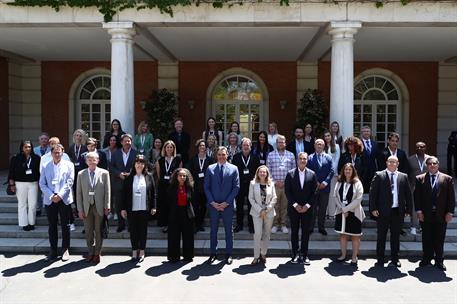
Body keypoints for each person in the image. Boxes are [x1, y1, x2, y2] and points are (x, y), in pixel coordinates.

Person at [369, 155, 412, 267]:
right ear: (386, 163)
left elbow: (408, 194)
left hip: (397, 211)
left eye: (394, 162)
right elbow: (373, 194)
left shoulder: (403, 176)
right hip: (382, 212)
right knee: (381, 237)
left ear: (398, 164)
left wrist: (409, 209)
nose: (392, 163)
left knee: (395, 237)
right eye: (390, 161)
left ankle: (395, 259)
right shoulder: (379, 175)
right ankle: (380, 259)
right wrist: (373, 208)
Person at [414, 156, 455, 271]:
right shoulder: (420, 178)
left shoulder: (447, 178)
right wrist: (419, 211)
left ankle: (439, 261)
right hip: (425, 214)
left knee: (439, 238)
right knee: (426, 237)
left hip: (441, 214)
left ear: (438, 164)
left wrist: (450, 212)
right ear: (427, 165)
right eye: (430, 164)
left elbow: (451, 198)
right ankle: (426, 259)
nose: (432, 165)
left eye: (434, 163)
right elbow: (417, 197)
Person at [204, 146, 240, 265]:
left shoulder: (234, 168)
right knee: (213, 230)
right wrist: (213, 202)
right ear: (216, 155)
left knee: (228, 231)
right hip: (213, 206)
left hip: (227, 206)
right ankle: (213, 253)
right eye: (219, 154)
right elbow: (206, 187)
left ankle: (229, 254)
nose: (221, 156)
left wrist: (226, 202)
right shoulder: (210, 168)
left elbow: (236, 188)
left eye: (223, 154)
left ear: (227, 155)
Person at [39, 144, 75, 262]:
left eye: (59, 152)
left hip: (63, 199)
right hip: (50, 200)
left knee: (66, 225)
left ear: (63, 153)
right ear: (51, 153)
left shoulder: (69, 165)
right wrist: (51, 195)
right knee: (52, 226)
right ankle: (53, 250)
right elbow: (42, 183)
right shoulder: (45, 166)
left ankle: (65, 249)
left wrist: (59, 195)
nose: (57, 154)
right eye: (55, 152)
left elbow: (70, 182)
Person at [76, 151, 110, 264]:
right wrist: (79, 209)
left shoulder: (104, 173)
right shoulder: (81, 174)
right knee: (89, 231)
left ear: (98, 160)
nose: (91, 161)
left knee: (99, 231)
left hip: (99, 206)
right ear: (86, 161)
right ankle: (90, 252)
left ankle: (97, 253)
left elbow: (107, 191)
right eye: (89, 159)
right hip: (86, 207)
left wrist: (107, 206)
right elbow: (78, 193)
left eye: (94, 159)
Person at [121, 155, 156, 263]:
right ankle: (134, 251)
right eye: (137, 162)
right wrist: (123, 209)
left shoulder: (149, 176)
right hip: (132, 209)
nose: (139, 165)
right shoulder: (128, 177)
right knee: (133, 231)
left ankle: (142, 251)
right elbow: (124, 195)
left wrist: (154, 206)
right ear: (134, 164)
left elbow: (154, 193)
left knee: (143, 231)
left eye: (142, 163)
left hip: (144, 209)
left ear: (144, 165)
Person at [284, 152, 317, 265]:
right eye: (300, 159)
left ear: (307, 160)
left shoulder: (312, 174)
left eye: (304, 159)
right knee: (294, 232)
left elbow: (314, 192)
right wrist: (295, 205)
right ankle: (294, 254)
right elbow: (287, 191)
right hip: (294, 209)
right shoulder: (290, 174)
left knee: (305, 232)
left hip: (307, 209)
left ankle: (304, 254)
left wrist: (307, 206)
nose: (302, 161)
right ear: (297, 160)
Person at [333, 163, 365, 265]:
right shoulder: (339, 182)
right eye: (346, 169)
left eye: (349, 170)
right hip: (341, 212)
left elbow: (358, 199)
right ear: (343, 171)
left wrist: (346, 209)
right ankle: (343, 255)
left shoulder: (357, 183)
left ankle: (354, 258)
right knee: (343, 235)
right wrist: (342, 209)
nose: (347, 171)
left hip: (354, 213)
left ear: (353, 171)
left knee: (355, 236)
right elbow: (335, 196)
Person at [8, 140, 41, 231]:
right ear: (22, 148)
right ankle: (24, 223)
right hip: (20, 183)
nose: (27, 148)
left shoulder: (36, 158)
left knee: (33, 204)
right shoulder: (16, 158)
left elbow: (39, 172)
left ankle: (31, 223)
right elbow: (11, 172)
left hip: (33, 183)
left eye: (29, 147)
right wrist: (12, 184)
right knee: (22, 204)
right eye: (25, 147)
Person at [248, 165, 277, 265]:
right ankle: (256, 256)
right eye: (261, 172)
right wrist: (260, 210)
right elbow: (250, 198)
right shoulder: (253, 183)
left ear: (267, 173)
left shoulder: (271, 184)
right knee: (258, 234)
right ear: (257, 173)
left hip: (269, 213)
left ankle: (263, 253)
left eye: (264, 172)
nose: (262, 173)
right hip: (257, 212)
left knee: (266, 234)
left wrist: (267, 209)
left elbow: (274, 198)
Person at [267, 135, 296, 234]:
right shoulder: (271, 155)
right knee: (275, 206)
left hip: (286, 185)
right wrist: (275, 182)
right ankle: (275, 225)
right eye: (279, 142)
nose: (281, 144)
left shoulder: (291, 155)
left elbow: (293, 171)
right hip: (274, 185)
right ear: (276, 143)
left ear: (285, 143)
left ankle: (283, 224)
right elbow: (268, 170)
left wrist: (285, 183)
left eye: (283, 142)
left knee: (284, 206)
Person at [232, 138, 260, 233]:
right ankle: (239, 225)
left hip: (251, 185)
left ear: (250, 146)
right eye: (244, 145)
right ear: (241, 146)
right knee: (239, 206)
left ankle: (251, 226)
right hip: (239, 185)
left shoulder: (255, 157)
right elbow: (233, 172)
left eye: (248, 145)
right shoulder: (236, 157)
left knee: (251, 206)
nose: (246, 147)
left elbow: (258, 172)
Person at [110, 133, 137, 232]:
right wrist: (119, 174)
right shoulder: (115, 153)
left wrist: (131, 173)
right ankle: (121, 224)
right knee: (119, 204)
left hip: (131, 182)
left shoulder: (135, 153)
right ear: (121, 142)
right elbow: (111, 167)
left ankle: (130, 225)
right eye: (125, 141)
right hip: (119, 182)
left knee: (130, 203)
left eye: (129, 141)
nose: (127, 143)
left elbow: (139, 166)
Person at [307, 139, 334, 235]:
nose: (319, 146)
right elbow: (308, 171)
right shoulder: (309, 158)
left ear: (324, 146)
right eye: (318, 144)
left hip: (325, 188)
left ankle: (321, 227)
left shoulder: (329, 158)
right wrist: (316, 182)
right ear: (314, 146)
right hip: (313, 188)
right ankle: (310, 227)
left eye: (321, 144)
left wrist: (325, 182)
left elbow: (331, 171)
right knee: (312, 208)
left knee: (323, 208)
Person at [167, 168, 195, 262]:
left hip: (187, 214)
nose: (182, 177)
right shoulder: (171, 187)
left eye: (184, 176)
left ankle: (188, 256)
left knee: (188, 236)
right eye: (180, 175)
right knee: (174, 236)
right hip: (175, 213)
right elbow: (168, 202)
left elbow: (194, 201)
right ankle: (174, 256)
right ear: (176, 176)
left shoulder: (190, 187)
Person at [187, 139, 215, 233]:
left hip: (206, 187)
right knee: (195, 205)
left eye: (203, 146)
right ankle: (196, 224)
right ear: (198, 147)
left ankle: (201, 223)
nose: (202, 147)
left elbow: (213, 173)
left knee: (203, 206)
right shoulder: (193, 159)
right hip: (195, 186)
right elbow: (189, 172)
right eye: (200, 146)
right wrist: (191, 182)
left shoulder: (210, 160)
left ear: (206, 148)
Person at [156, 140, 182, 232]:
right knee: (164, 205)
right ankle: (165, 224)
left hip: (174, 186)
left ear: (173, 149)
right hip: (163, 186)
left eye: (171, 147)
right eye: (167, 147)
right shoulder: (160, 160)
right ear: (165, 148)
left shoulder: (178, 159)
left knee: (173, 205)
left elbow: (180, 172)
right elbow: (159, 174)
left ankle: (173, 224)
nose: (169, 149)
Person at [407, 141, 430, 235]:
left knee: (426, 207)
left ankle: (423, 226)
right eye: (418, 147)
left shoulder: (430, 159)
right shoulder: (410, 159)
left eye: (422, 147)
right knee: (413, 207)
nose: (420, 149)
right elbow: (407, 174)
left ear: (425, 148)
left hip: (427, 188)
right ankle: (413, 226)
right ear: (415, 148)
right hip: (413, 186)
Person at [68, 129, 88, 230]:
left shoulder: (85, 148)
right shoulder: (70, 148)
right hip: (74, 174)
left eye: (80, 136)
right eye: (76, 135)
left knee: (84, 194)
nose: (78, 137)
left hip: (83, 174)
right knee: (76, 193)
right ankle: (77, 210)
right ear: (74, 137)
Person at [323, 130, 340, 220]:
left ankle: (332, 214)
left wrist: (333, 172)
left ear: (331, 136)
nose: (327, 137)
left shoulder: (336, 146)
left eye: (328, 135)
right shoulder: (322, 146)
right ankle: (325, 213)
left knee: (332, 194)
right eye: (325, 136)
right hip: (324, 174)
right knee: (325, 194)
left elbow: (337, 160)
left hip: (333, 174)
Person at [360, 126, 378, 194]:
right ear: (362, 133)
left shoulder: (375, 144)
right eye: (364, 131)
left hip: (372, 170)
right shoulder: (358, 143)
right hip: (362, 171)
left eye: (368, 131)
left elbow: (378, 157)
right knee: (361, 190)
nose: (366, 133)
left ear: (370, 133)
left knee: (372, 190)